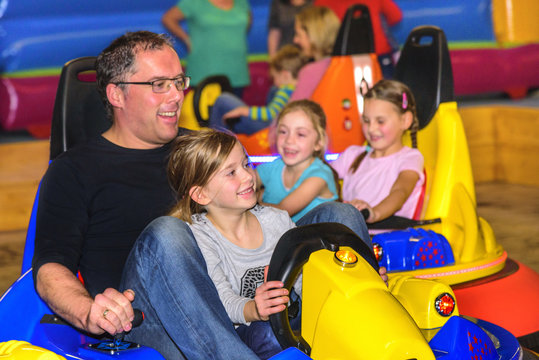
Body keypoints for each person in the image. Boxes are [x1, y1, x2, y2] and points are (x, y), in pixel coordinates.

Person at [166, 129, 297, 359]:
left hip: (293, 317)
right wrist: (254, 309)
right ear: (201, 194)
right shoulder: (199, 236)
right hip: (245, 334)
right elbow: (221, 301)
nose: (248, 176)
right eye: (231, 173)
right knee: (268, 333)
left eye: (246, 165)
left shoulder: (277, 221)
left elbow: (308, 277)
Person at [331, 79, 423, 224]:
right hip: (349, 236)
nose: (371, 129)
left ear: (405, 120)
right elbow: (321, 175)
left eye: (380, 121)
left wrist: (374, 213)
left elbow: (400, 192)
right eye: (366, 121)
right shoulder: (352, 155)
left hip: (385, 240)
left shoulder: (410, 158)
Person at [256, 100, 339, 223]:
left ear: (318, 143)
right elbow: (242, 182)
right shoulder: (271, 168)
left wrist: (251, 201)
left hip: (312, 239)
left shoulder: (319, 176)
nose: (289, 140)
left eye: (300, 134)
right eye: (283, 132)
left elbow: (282, 211)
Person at [209, 44, 308, 135]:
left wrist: (244, 111)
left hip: (268, 129)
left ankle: (216, 142)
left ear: (285, 75)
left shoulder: (286, 90)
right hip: (275, 126)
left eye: (275, 78)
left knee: (223, 99)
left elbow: (270, 113)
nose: (274, 82)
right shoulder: (300, 88)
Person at [162, 0, 251, 96]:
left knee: (235, 109)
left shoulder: (241, 2)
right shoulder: (194, 2)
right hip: (205, 69)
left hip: (236, 69)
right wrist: (187, 39)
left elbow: (247, 23)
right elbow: (168, 18)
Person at [314, 0, 403, 78]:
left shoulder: (322, 3)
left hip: (342, 58)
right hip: (378, 54)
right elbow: (395, 17)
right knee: (387, 91)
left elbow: (318, 31)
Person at [289, 5, 341, 101]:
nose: (295, 40)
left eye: (299, 35)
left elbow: (292, 112)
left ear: (314, 36)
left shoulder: (310, 72)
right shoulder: (343, 66)